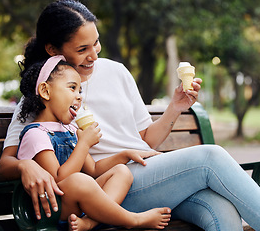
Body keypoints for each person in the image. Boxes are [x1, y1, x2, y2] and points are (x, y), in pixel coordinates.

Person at [0, 0, 260, 231]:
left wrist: (176, 107)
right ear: (53, 50)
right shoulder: (43, 95)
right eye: (83, 48)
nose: (94, 55)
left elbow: (144, 139)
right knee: (211, 158)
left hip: (156, 177)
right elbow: (8, 161)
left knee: (222, 212)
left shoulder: (116, 71)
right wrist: (26, 168)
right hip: (112, 190)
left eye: (96, 43)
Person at [16, 55, 171, 230]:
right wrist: (83, 145)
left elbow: (94, 169)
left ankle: (90, 222)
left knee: (122, 171)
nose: (79, 97)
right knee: (79, 180)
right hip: (52, 209)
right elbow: (60, 179)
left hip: (75, 205)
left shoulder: (70, 130)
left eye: (80, 91)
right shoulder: (36, 134)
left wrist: (125, 155)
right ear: (46, 91)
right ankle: (133, 220)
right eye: (72, 88)